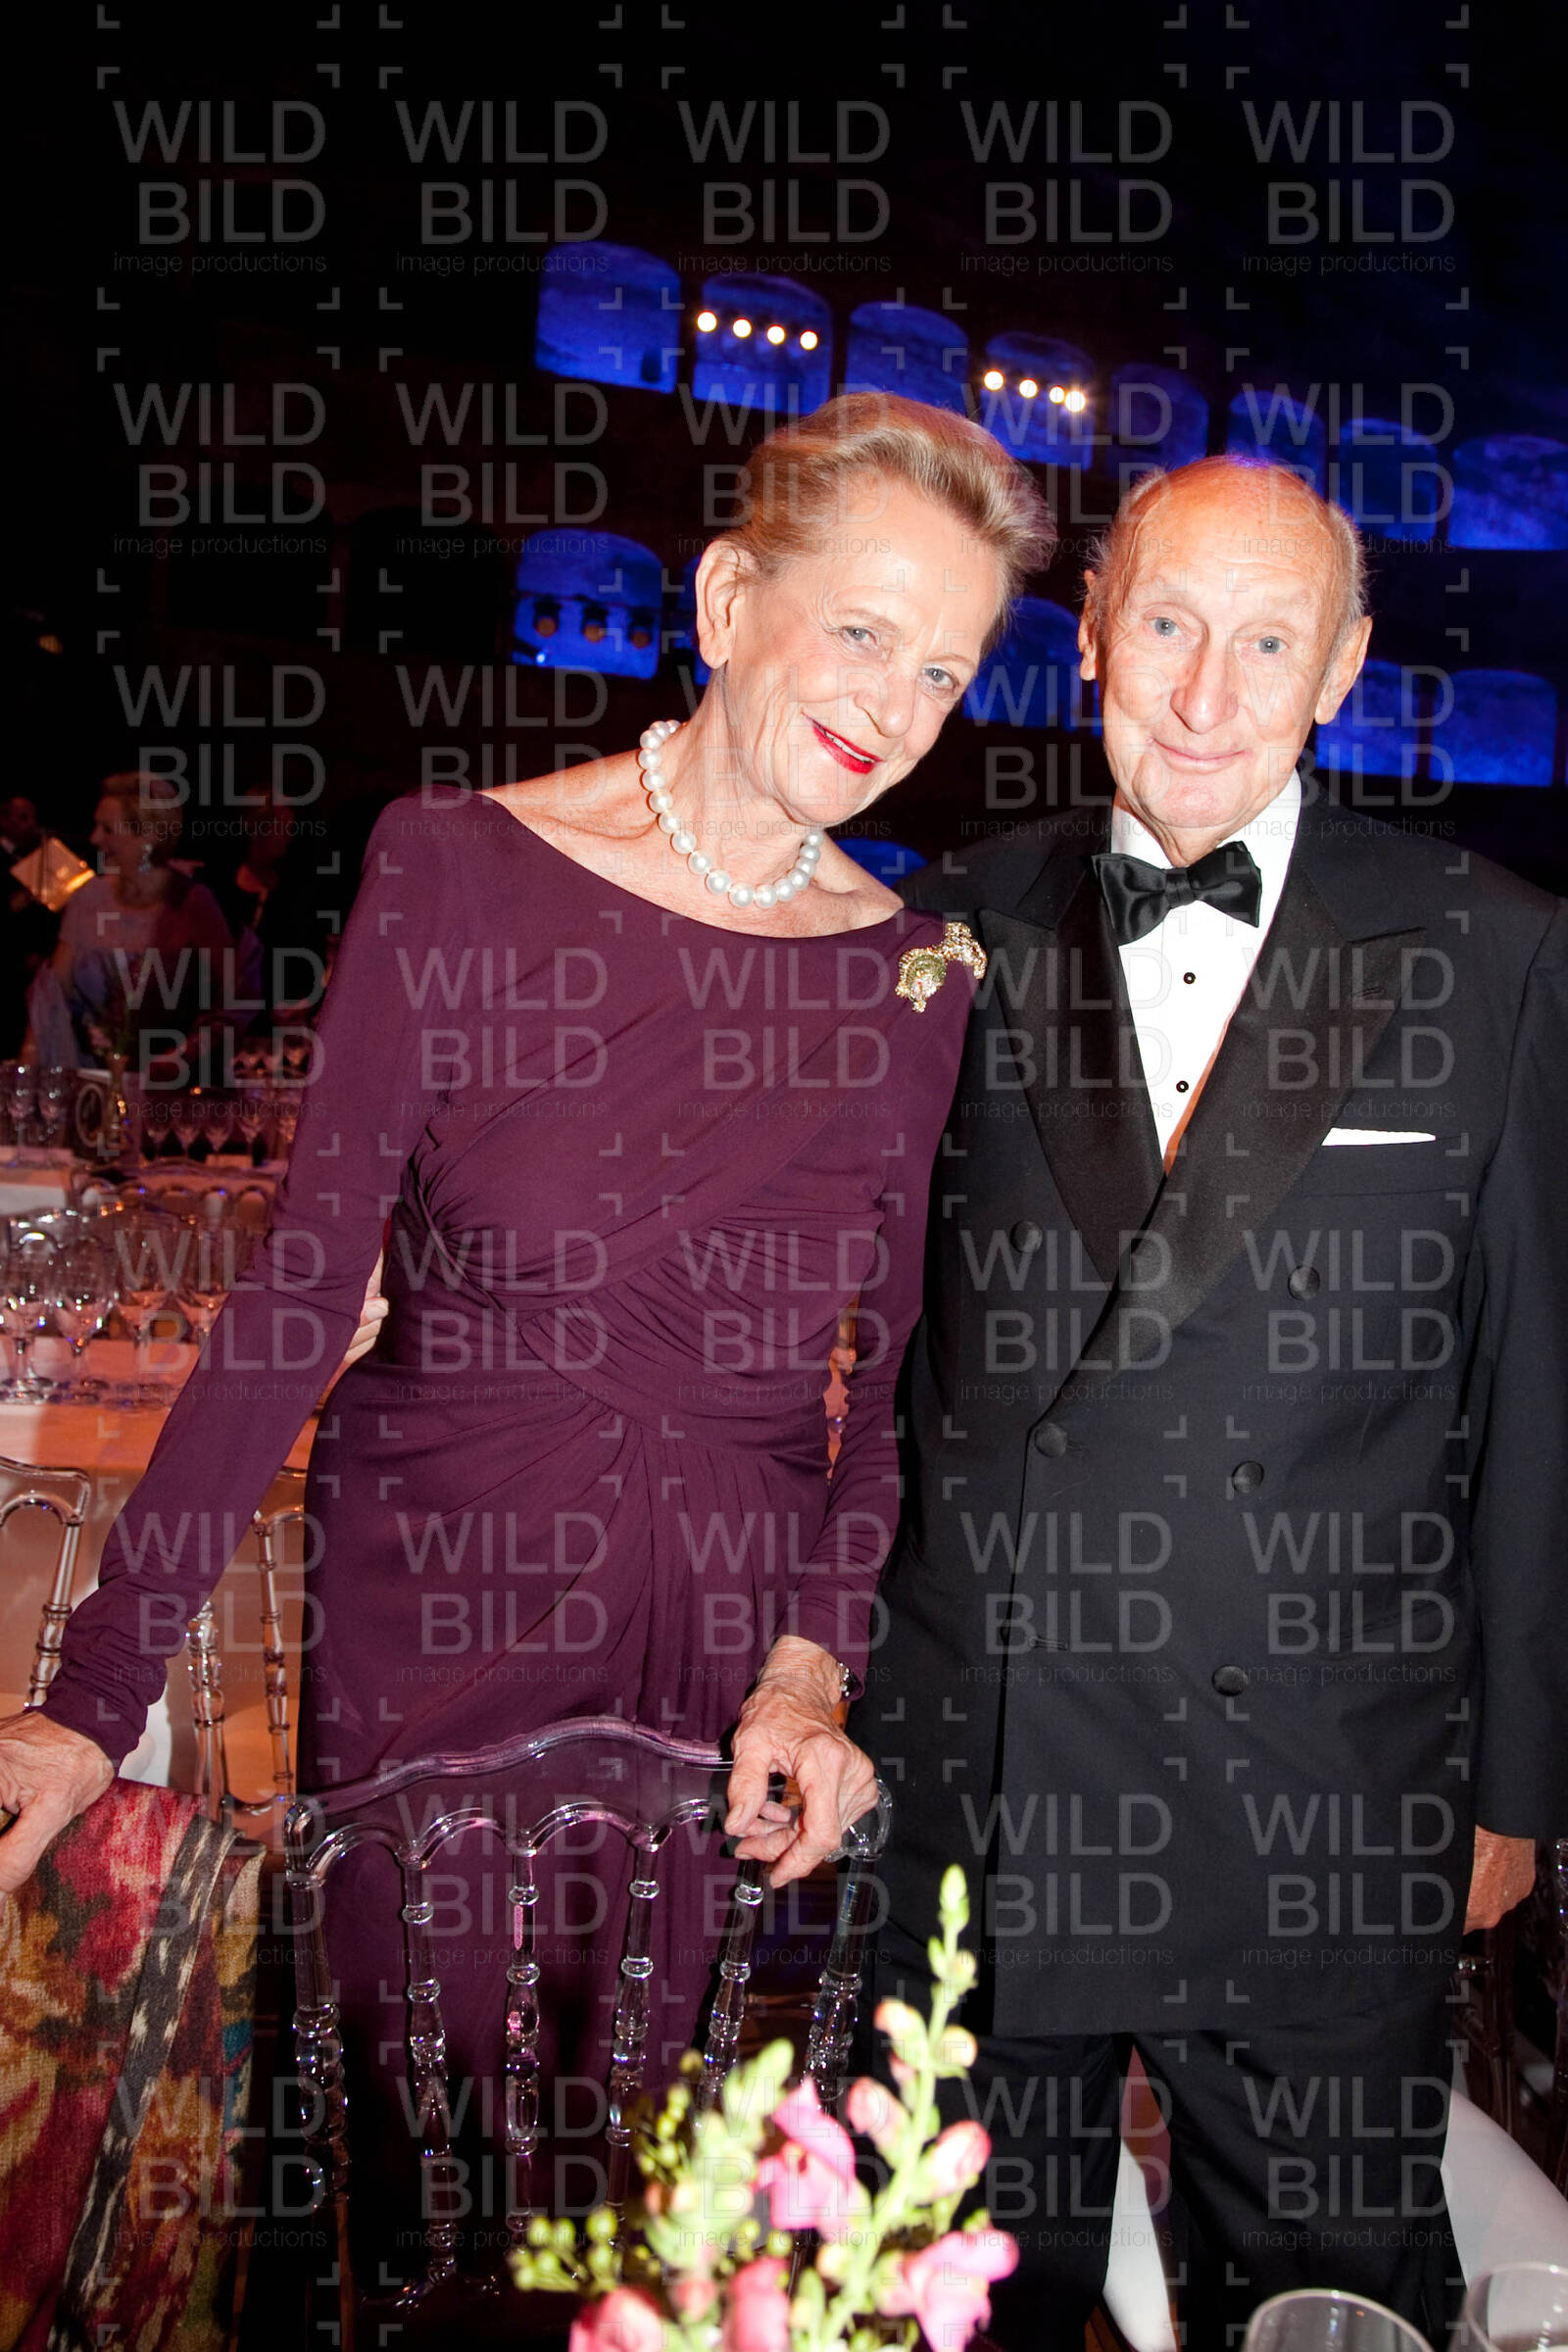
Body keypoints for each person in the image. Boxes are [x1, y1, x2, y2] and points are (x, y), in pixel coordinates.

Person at [0, 395, 1054, 2259]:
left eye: (944, 672)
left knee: (665, 2226)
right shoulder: (458, 868)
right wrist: (96, 1700)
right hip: (443, 1617)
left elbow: (888, 1400)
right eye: (862, 631)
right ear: (726, 602)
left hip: (724, 1680)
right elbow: (297, 1304)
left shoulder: (916, 981)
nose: (895, 707)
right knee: (431, 2204)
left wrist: (810, 1670)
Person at [855, 455, 1568, 2344]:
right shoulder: (948, 928)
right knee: (955, 2310)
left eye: (1267, 644)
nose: (1201, 695)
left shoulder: (1494, 950)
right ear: (1091, 635)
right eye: (1165, 625)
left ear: (1343, 670)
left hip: (1327, 1795)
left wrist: (1516, 1789)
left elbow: (1539, 1392)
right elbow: (841, 1327)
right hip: (985, 1775)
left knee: (1335, 2301)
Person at [22, 771, 238, 1077]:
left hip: (165, 1088)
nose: (94, 838)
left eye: (108, 829)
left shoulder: (192, 902)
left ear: (148, 835)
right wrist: (29, 1070)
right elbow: (54, 995)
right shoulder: (88, 896)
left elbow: (233, 998)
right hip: (88, 1080)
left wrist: (186, 1054)